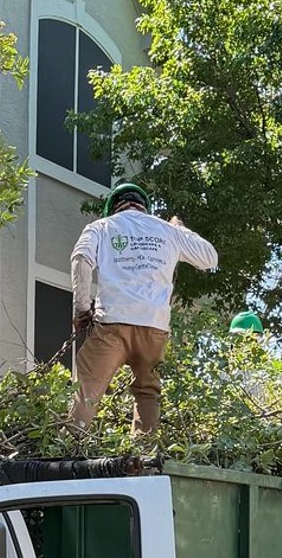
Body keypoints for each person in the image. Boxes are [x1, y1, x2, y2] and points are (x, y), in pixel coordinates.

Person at [67, 180, 219, 436]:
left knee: (88, 388)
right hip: (154, 328)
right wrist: (181, 228)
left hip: (112, 324)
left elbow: (81, 260)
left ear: (113, 207)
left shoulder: (102, 227)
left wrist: (81, 309)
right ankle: (143, 452)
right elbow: (209, 258)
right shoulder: (168, 231)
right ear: (144, 207)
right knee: (147, 392)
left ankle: (69, 444)